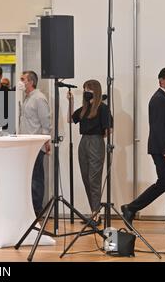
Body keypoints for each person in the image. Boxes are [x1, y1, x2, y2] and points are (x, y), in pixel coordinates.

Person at [122, 67, 165, 233]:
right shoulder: (158, 99)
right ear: (161, 81)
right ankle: (130, 208)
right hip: (164, 151)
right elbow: (157, 127)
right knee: (164, 182)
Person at [68, 79, 112, 226]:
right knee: (86, 177)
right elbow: (70, 119)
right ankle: (94, 211)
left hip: (96, 141)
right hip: (83, 142)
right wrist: (71, 102)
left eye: (89, 89)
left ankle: (96, 214)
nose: (87, 91)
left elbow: (108, 129)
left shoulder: (102, 108)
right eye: (85, 88)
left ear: (96, 91)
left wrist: (98, 139)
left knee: (94, 179)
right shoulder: (84, 109)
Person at [18, 71, 51, 217]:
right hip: (25, 143)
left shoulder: (39, 98)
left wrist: (45, 141)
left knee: (36, 176)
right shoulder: (27, 98)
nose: (20, 82)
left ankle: (37, 208)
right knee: (29, 176)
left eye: (22, 79)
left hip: (36, 144)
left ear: (30, 82)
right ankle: (29, 206)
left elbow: (46, 122)